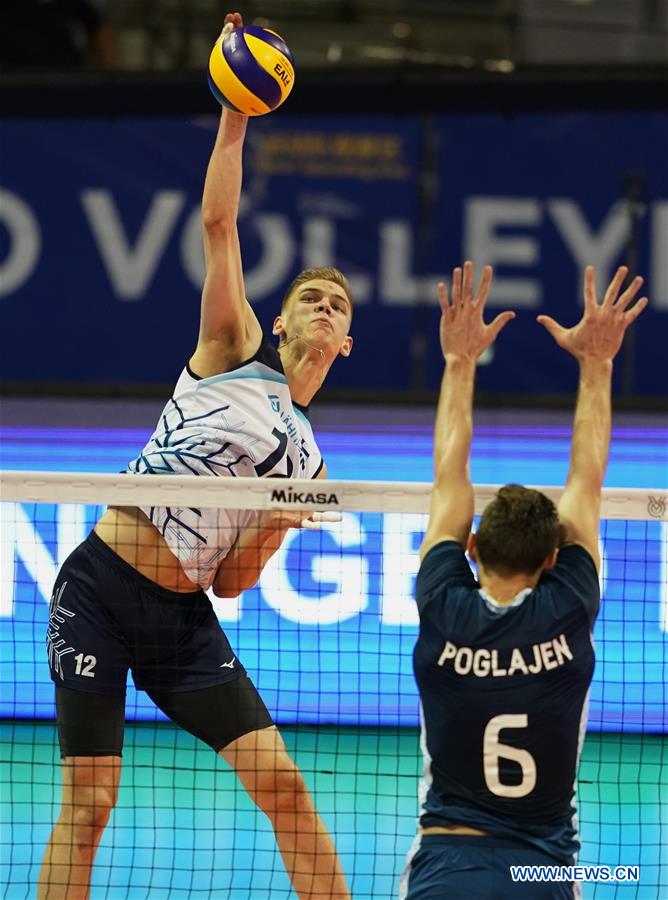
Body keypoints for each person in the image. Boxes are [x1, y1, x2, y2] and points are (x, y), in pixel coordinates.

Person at [38, 11, 352, 900]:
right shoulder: (233, 345)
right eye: (312, 299)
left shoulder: (312, 467)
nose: (324, 310)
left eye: (339, 307)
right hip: (101, 590)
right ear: (280, 321)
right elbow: (218, 222)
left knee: (286, 790)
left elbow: (234, 582)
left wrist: (278, 523)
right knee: (90, 802)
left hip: (182, 623)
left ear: (347, 343)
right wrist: (234, 114)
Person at [400, 261, 647, 899]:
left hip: (447, 864)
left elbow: (448, 474)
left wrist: (458, 361)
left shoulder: (442, 605)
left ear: (471, 548)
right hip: (546, 872)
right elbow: (587, 478)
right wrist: (598, 363)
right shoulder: (568, 608)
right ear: (552, 560)